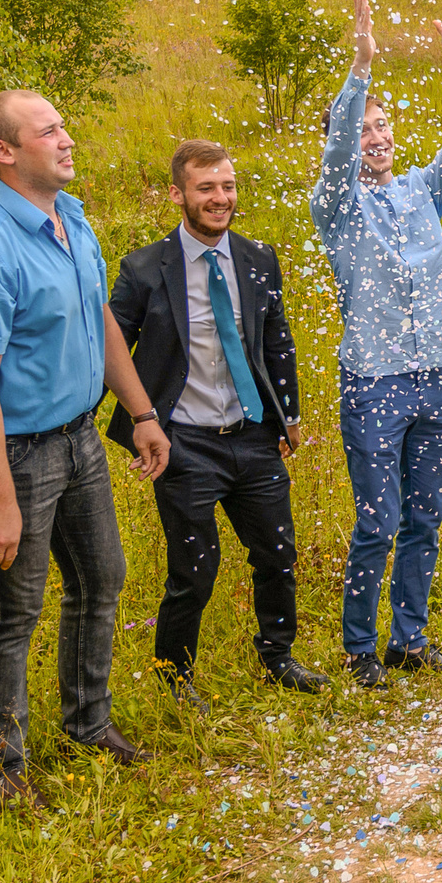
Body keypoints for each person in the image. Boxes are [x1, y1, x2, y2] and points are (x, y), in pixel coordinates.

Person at [0, 90, 171, 810]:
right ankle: (7, 770)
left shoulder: (68, 218)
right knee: (14, 610)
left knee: (102, 580)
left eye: (63, 126)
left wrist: (141, 410)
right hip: (12, 454)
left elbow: (98, 316)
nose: (68, 139)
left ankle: (88, 724)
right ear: (3, 152)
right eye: (50, 131)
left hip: (77, 438)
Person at [311, 0, 442, 689]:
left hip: (432, 373)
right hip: (374, 382)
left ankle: (408, 638)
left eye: (382, 127)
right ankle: (359, 647)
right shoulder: (335, 208)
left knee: (424, 517)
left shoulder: (422, 189)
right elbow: (333, 163)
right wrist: (360, 67)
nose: (376, 138)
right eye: (363, 129)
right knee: (378, 521)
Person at [110, 138, 327, 709]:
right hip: (185, 444)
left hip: (254, 435)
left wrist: (289, 413)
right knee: (194, 570)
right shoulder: (143, 270)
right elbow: (111, 350)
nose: (220, 198)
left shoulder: (258, 259)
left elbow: (277, 341)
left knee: (277, 554)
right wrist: (139, 422)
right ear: (178, 194)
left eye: (227, 186)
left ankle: (278, 656)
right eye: (207, 188)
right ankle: (175, 679)